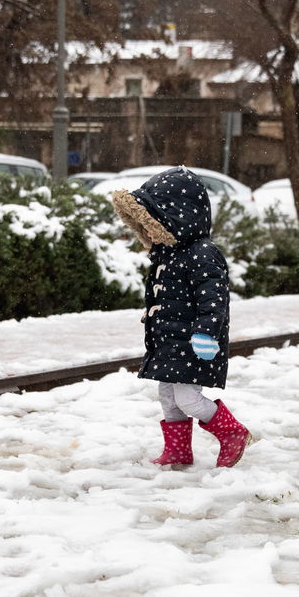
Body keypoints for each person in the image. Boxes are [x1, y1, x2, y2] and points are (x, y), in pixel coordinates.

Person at [110, 166, 253, 468]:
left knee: (188, 398)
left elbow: (214, 299)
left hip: (193, 342)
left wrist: (206, 333)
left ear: (178, 219)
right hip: (169, 341)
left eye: (154, 223)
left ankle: (232, 432)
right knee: (167, 396)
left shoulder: (203, 253)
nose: (149, 232)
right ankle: (177, 450)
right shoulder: (168, 252)